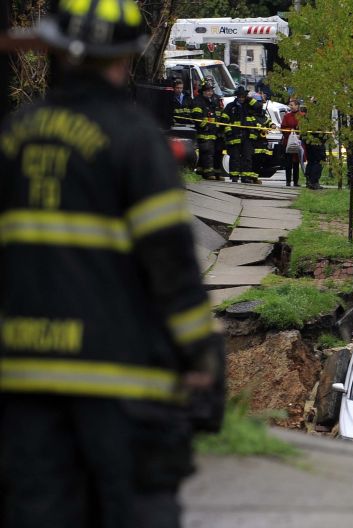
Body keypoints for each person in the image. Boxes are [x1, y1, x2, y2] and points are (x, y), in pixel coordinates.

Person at [0, 0, 225, 526]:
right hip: (122, 387)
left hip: (25, 385)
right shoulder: (135, 142)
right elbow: (171, 266)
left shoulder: (12, 138)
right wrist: (199, 356)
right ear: (125, 57)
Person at [221, 86, 262, 183]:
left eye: (243, 96)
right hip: (234, 136)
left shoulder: (248, 105)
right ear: (237, 96)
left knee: (247, 157)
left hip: (247, 136)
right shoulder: (230, 107)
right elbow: (224, 119)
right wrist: (228, 131)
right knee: (234, 157)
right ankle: (234, 177)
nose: (242, 98)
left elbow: (259, 107)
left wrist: (249, 99)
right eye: (240, 96)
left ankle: (246, 177)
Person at [192, 81, 222, 180]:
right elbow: (197, 117)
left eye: (211, 91)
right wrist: (205, 126)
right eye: (207, 91)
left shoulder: (213, 100)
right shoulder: (198, 101)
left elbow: (217, 115)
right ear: (203, 91)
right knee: (207, 152)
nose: (210, 93)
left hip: (213, 132)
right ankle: (209, 174)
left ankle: (202, 171)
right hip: (204, 132)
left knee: (215, 152)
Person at [281, 98, 302, 187]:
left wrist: (299, 134)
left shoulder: (301, 116)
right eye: (290, 105)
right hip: (288, 142)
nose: (291, 106)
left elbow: (304, 127)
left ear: (297, 106)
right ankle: (288, 181)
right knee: (288, 163)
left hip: (298, 142)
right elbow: (283, 127)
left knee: (296, 163)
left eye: (292, 105)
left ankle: (296, 182)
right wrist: (291, 131)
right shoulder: (287, 116)